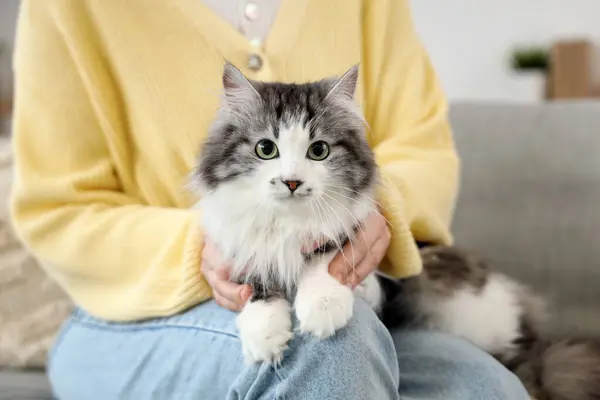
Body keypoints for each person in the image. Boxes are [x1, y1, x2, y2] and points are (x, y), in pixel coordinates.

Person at [10, 0, 529, 399]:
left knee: (485, 387)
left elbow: (423, 146)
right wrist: (203, 248)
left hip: (349, 285)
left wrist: (380, 213)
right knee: (325, 347)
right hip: (127, 314)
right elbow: (59, 209)